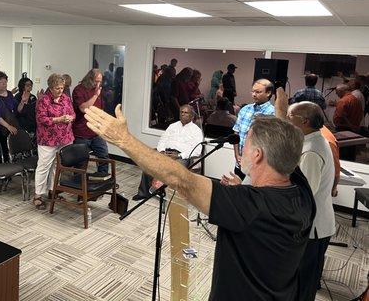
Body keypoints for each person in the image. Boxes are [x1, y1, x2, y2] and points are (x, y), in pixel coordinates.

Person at [85, 106, 315, 301]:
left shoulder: (249, 206)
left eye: (246, 143)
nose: (241, 148)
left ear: (257, 155)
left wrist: (123, 139)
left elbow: (181, 180)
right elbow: (286, 145)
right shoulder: (303, 192)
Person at [282, 100, 335, 301]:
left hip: (314, 229)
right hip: (314, 225)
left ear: (304, 121)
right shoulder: (312, 141)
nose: (286, 119)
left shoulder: (311, 151)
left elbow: (304, 194)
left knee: (305, 282)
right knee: (303, 279)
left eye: (289, 116)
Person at [133, 104, 203, 201]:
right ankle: (143, 193)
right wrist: (162, 151)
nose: (183, 114)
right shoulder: (172, 126)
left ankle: (165, 193)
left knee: (173, 170)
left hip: (181, 157)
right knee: (148, 165)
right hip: (165, 153)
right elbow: (163, 139)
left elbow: (197, 150)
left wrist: (179, 155)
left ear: (191, 116)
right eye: (181, 112)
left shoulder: (196, 130)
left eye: (186, 113)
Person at [33, 74, 75, 210]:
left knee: (58, 166)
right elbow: (41, 119)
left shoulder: (66, 98)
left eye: (62, 88)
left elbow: (73, 113)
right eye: (57, 88)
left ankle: (53, 191)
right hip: (47, 139)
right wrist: (59, 119)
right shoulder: (44, 100)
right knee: (44, 166)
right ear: (50, 87)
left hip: (64, 138)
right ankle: (38, 196)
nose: (60, 90)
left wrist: (70, 118)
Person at [232, 79, 275, 179]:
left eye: (258, 92)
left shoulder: (272, 113)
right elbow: (236, 133)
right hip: (240, 163)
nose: (254, 94)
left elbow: (270, 143)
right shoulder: (245, 109)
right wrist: (237, 155)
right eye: (253, 91)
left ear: (268, 93)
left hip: (258, 166)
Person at [72, 69, 109, 177]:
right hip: (82, 132)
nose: (98, 84)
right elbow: (83, 108)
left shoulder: (97, 90)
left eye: (100, 81)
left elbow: (100, 109)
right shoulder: (79, 90)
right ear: (89, 78)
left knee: (104, 156)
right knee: (81, 161)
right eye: (96, 81)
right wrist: (95, 95)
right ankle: (78, 183)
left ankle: (102, 178)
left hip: (96, 131)